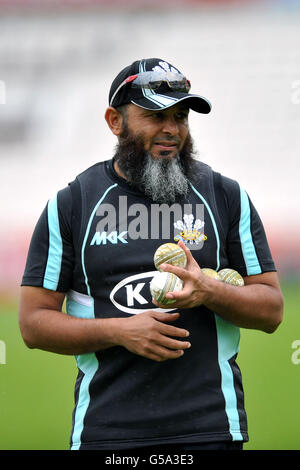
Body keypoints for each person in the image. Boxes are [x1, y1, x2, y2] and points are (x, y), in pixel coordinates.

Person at [19, 58, 284, 451]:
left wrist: (210, 292)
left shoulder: (226, 197)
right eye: (154, 115)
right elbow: (33, 323)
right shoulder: (72, 204)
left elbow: (271, 311)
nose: (171, 130)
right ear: (115, 120)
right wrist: (119, 332)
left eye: (180, 116)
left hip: (210, 430)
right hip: (106, 434)